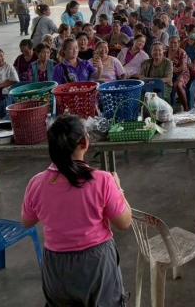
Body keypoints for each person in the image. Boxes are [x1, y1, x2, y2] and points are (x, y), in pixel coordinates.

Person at [22, 115, 131, 306]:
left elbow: (27, 221)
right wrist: (118, 189)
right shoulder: (103, 180)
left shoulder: (36, 183)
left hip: (56, 267)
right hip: (96, 264)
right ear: (84, 143)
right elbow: (124, 222)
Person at [167, 36, 192, 111]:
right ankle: (169, 107)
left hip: (183, 73)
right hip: (169, 74)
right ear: (168, 43)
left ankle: (186, 107)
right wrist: (171, 70)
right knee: (166, 84)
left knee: (178, 85)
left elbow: (183, 68)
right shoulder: (165, 52)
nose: (173, 44)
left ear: (178, 43)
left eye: (175, 43)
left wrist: (173, 70)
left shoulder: (182, 53)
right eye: (171, 42)